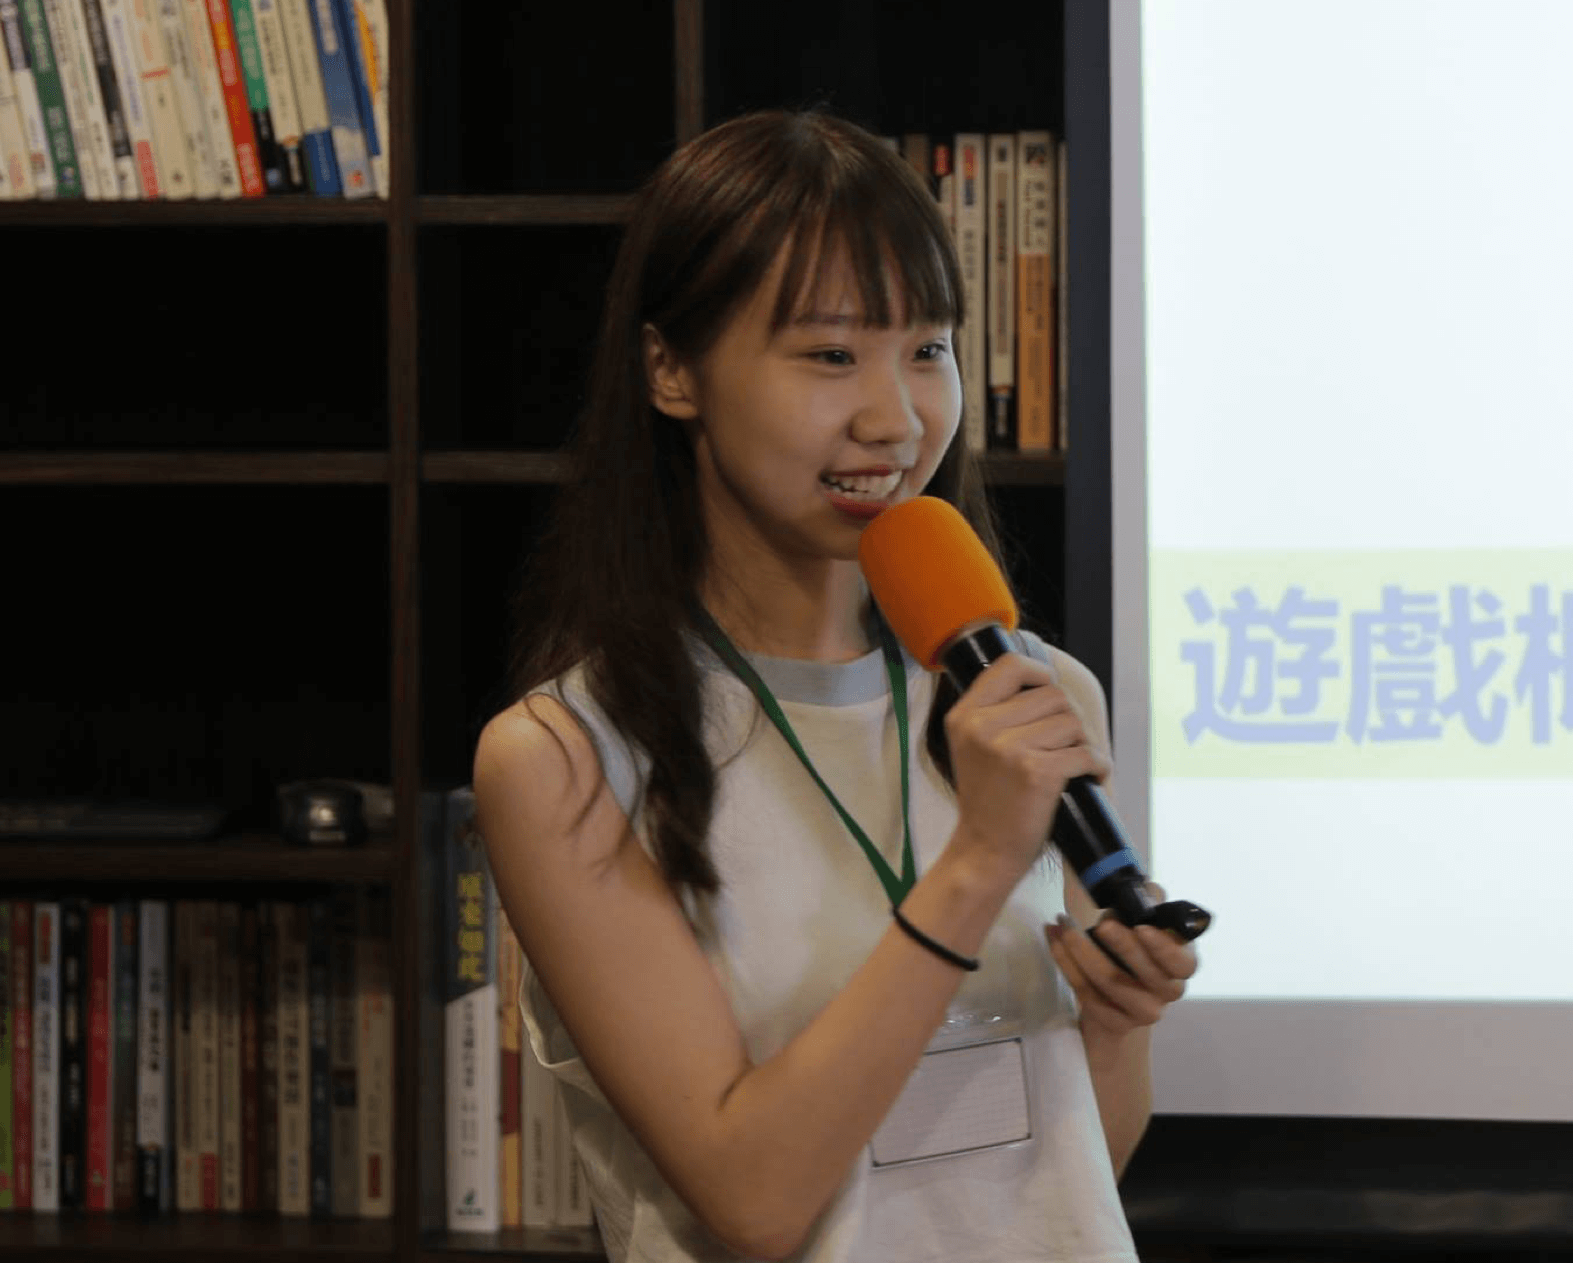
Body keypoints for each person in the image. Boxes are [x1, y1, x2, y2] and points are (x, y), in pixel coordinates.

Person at [471, 109, 1196, 1262]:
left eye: (928, 350)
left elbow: (1071, 1177)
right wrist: (976, 867)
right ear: (671, 370)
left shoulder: (1034, 691)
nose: (895, 420)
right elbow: (754, 1202)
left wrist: (1116, 1028)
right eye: (830, 356)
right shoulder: (563, 756)